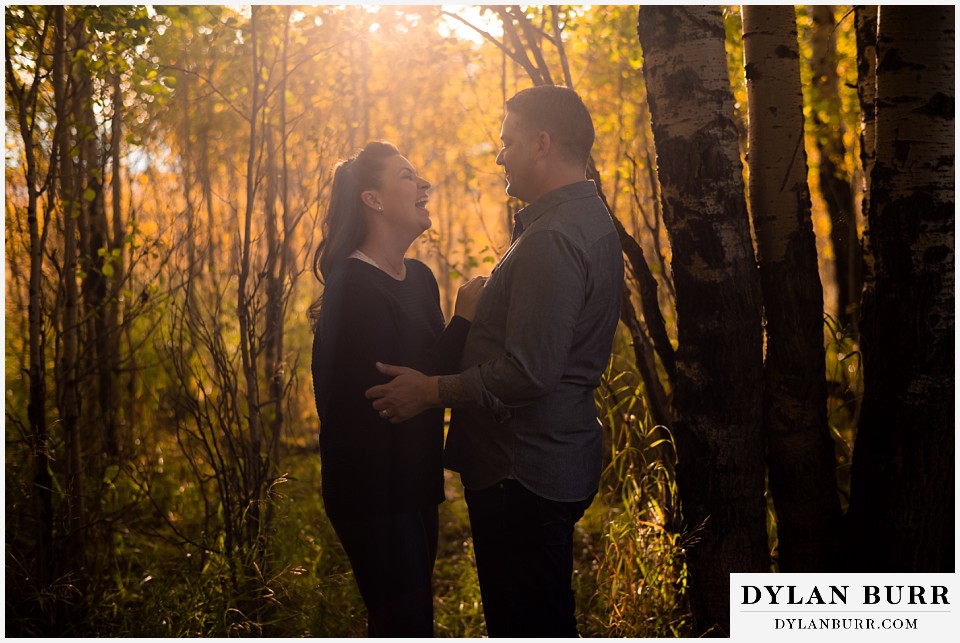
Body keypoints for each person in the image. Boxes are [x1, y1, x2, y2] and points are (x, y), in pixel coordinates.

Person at [365, 86, 624, 637]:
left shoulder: (553, 238)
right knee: (544, 615)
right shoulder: (588, 218)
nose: (500, 155)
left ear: (541, 143)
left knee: (526, 624)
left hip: (520, 473)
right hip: (549, 459)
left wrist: (431, 390)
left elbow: (529, 372)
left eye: (507, 142)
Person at [310, 141, 485, 637]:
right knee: (406, 627)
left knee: (410, 622)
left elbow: (425, 380)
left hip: (414, 481)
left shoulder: (420, 278)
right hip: (370, 489)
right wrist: (464, 321)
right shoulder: (354, 286)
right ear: (374, 199)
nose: (424, 184)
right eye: (408, 176)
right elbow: (396, 397)